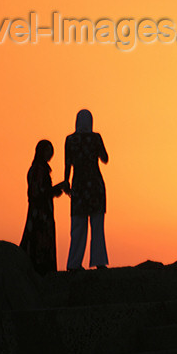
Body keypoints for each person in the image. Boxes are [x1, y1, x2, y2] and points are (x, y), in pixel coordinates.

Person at [65, 109, 109, 271]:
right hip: (95, 185)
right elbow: (105, 158)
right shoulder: (95, 138)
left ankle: (74, 263)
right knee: (97, 226)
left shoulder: (70, 140)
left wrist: (66, 182)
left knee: (78, 226)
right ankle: (99, 261)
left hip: (78, 186)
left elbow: (67, 164)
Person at [19, 140, 67, 275]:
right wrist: (58, 188)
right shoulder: (38, 170)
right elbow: (39, 193)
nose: (50, 154)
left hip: (42, 212)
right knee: (39, 241)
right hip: (39, 214)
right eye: (47, 150)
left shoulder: (40, 169)